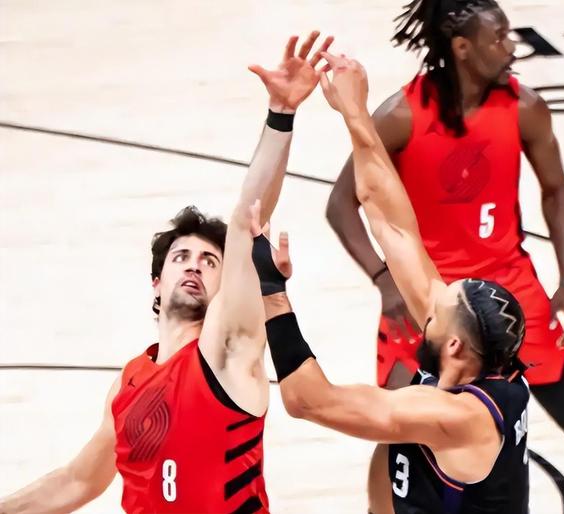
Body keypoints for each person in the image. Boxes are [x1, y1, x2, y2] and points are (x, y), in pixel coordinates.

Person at [0, 31, 333, 514]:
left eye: (210, 262)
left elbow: (247, 219)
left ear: (223, 287)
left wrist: (280, 115)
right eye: (181, 258)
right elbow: (77, 481)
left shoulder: (226, 351)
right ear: (157, 282)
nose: (195, 265)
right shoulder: (129, 381)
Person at [324, 1, 564, 512]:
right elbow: (341, 203)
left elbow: (557, 190)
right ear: (462, 48)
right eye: (499, 37)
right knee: (394, 429)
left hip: (512, 290)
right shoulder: (401, 114)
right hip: (431, 293)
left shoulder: (525, 106)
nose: (512, 46)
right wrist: (382, 278)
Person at [252, 51, 530, 514]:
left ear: (455, 346)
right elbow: (394, 226)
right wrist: (356, 114)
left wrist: (270, 288)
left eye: (438, 310)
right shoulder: (474, 356)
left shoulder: (456, 416)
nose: (429, 301)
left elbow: (310, 402)